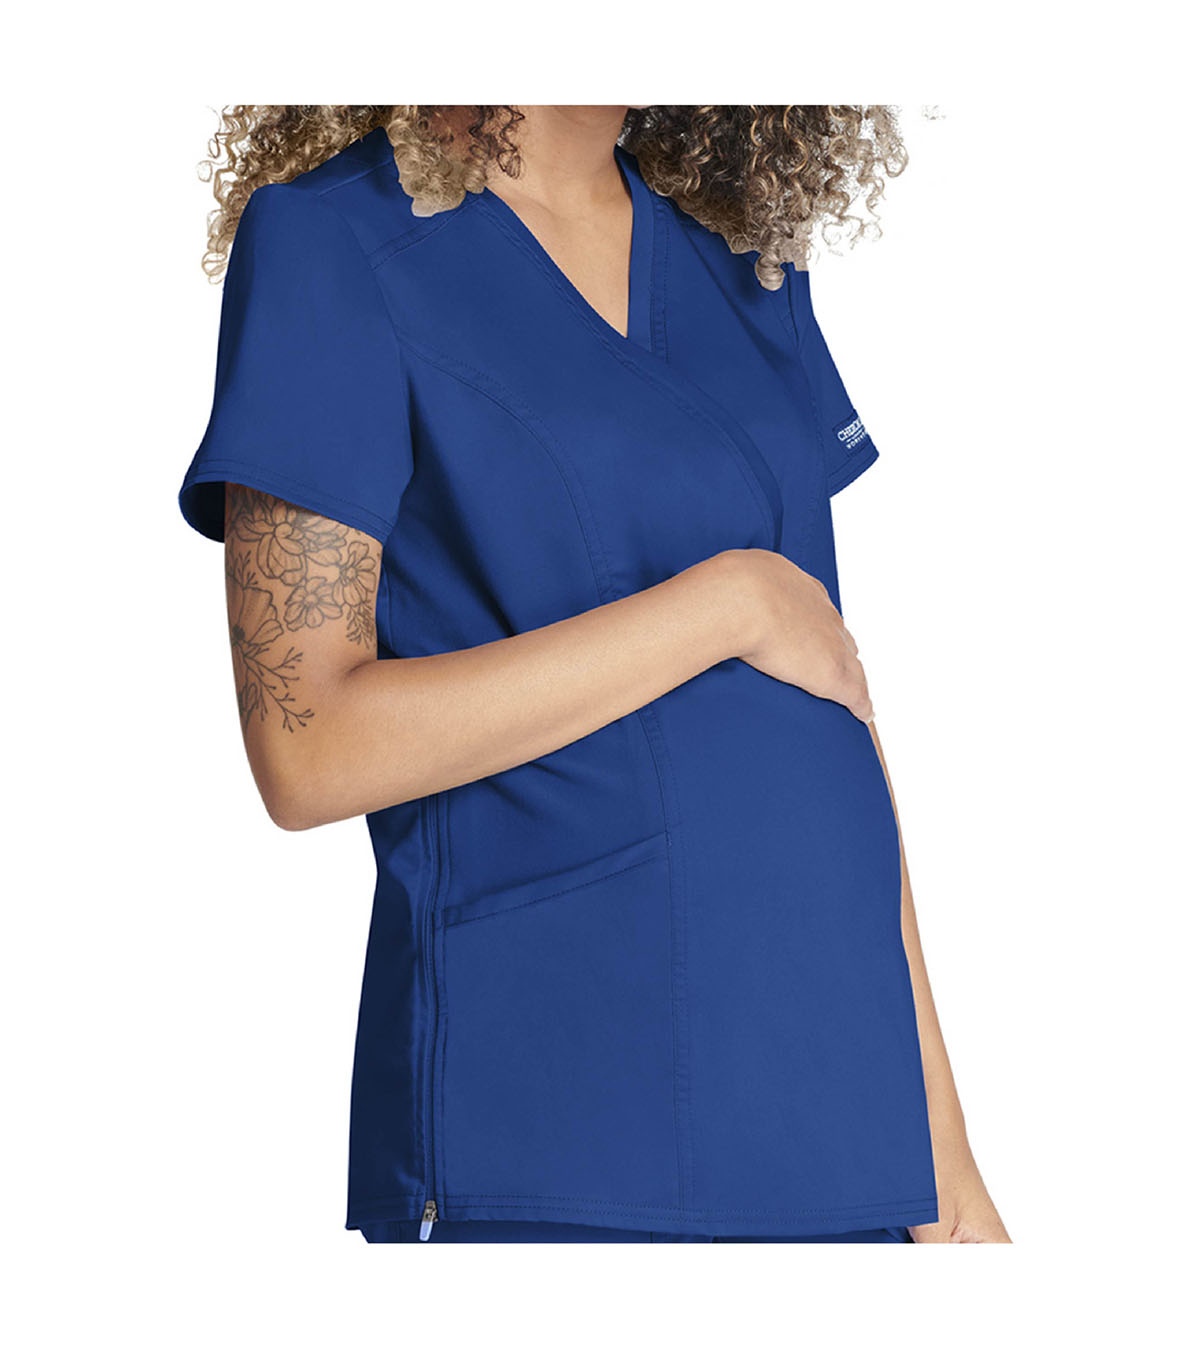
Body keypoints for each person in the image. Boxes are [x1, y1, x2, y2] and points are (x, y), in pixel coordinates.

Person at [178, 105, 1010, 1244]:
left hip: (841, 1125)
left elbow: (830, 700)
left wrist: (947, 1170)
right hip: (559, 1107)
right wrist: (720, 606)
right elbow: (307, 746)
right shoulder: (333, 239)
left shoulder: (742, 261)